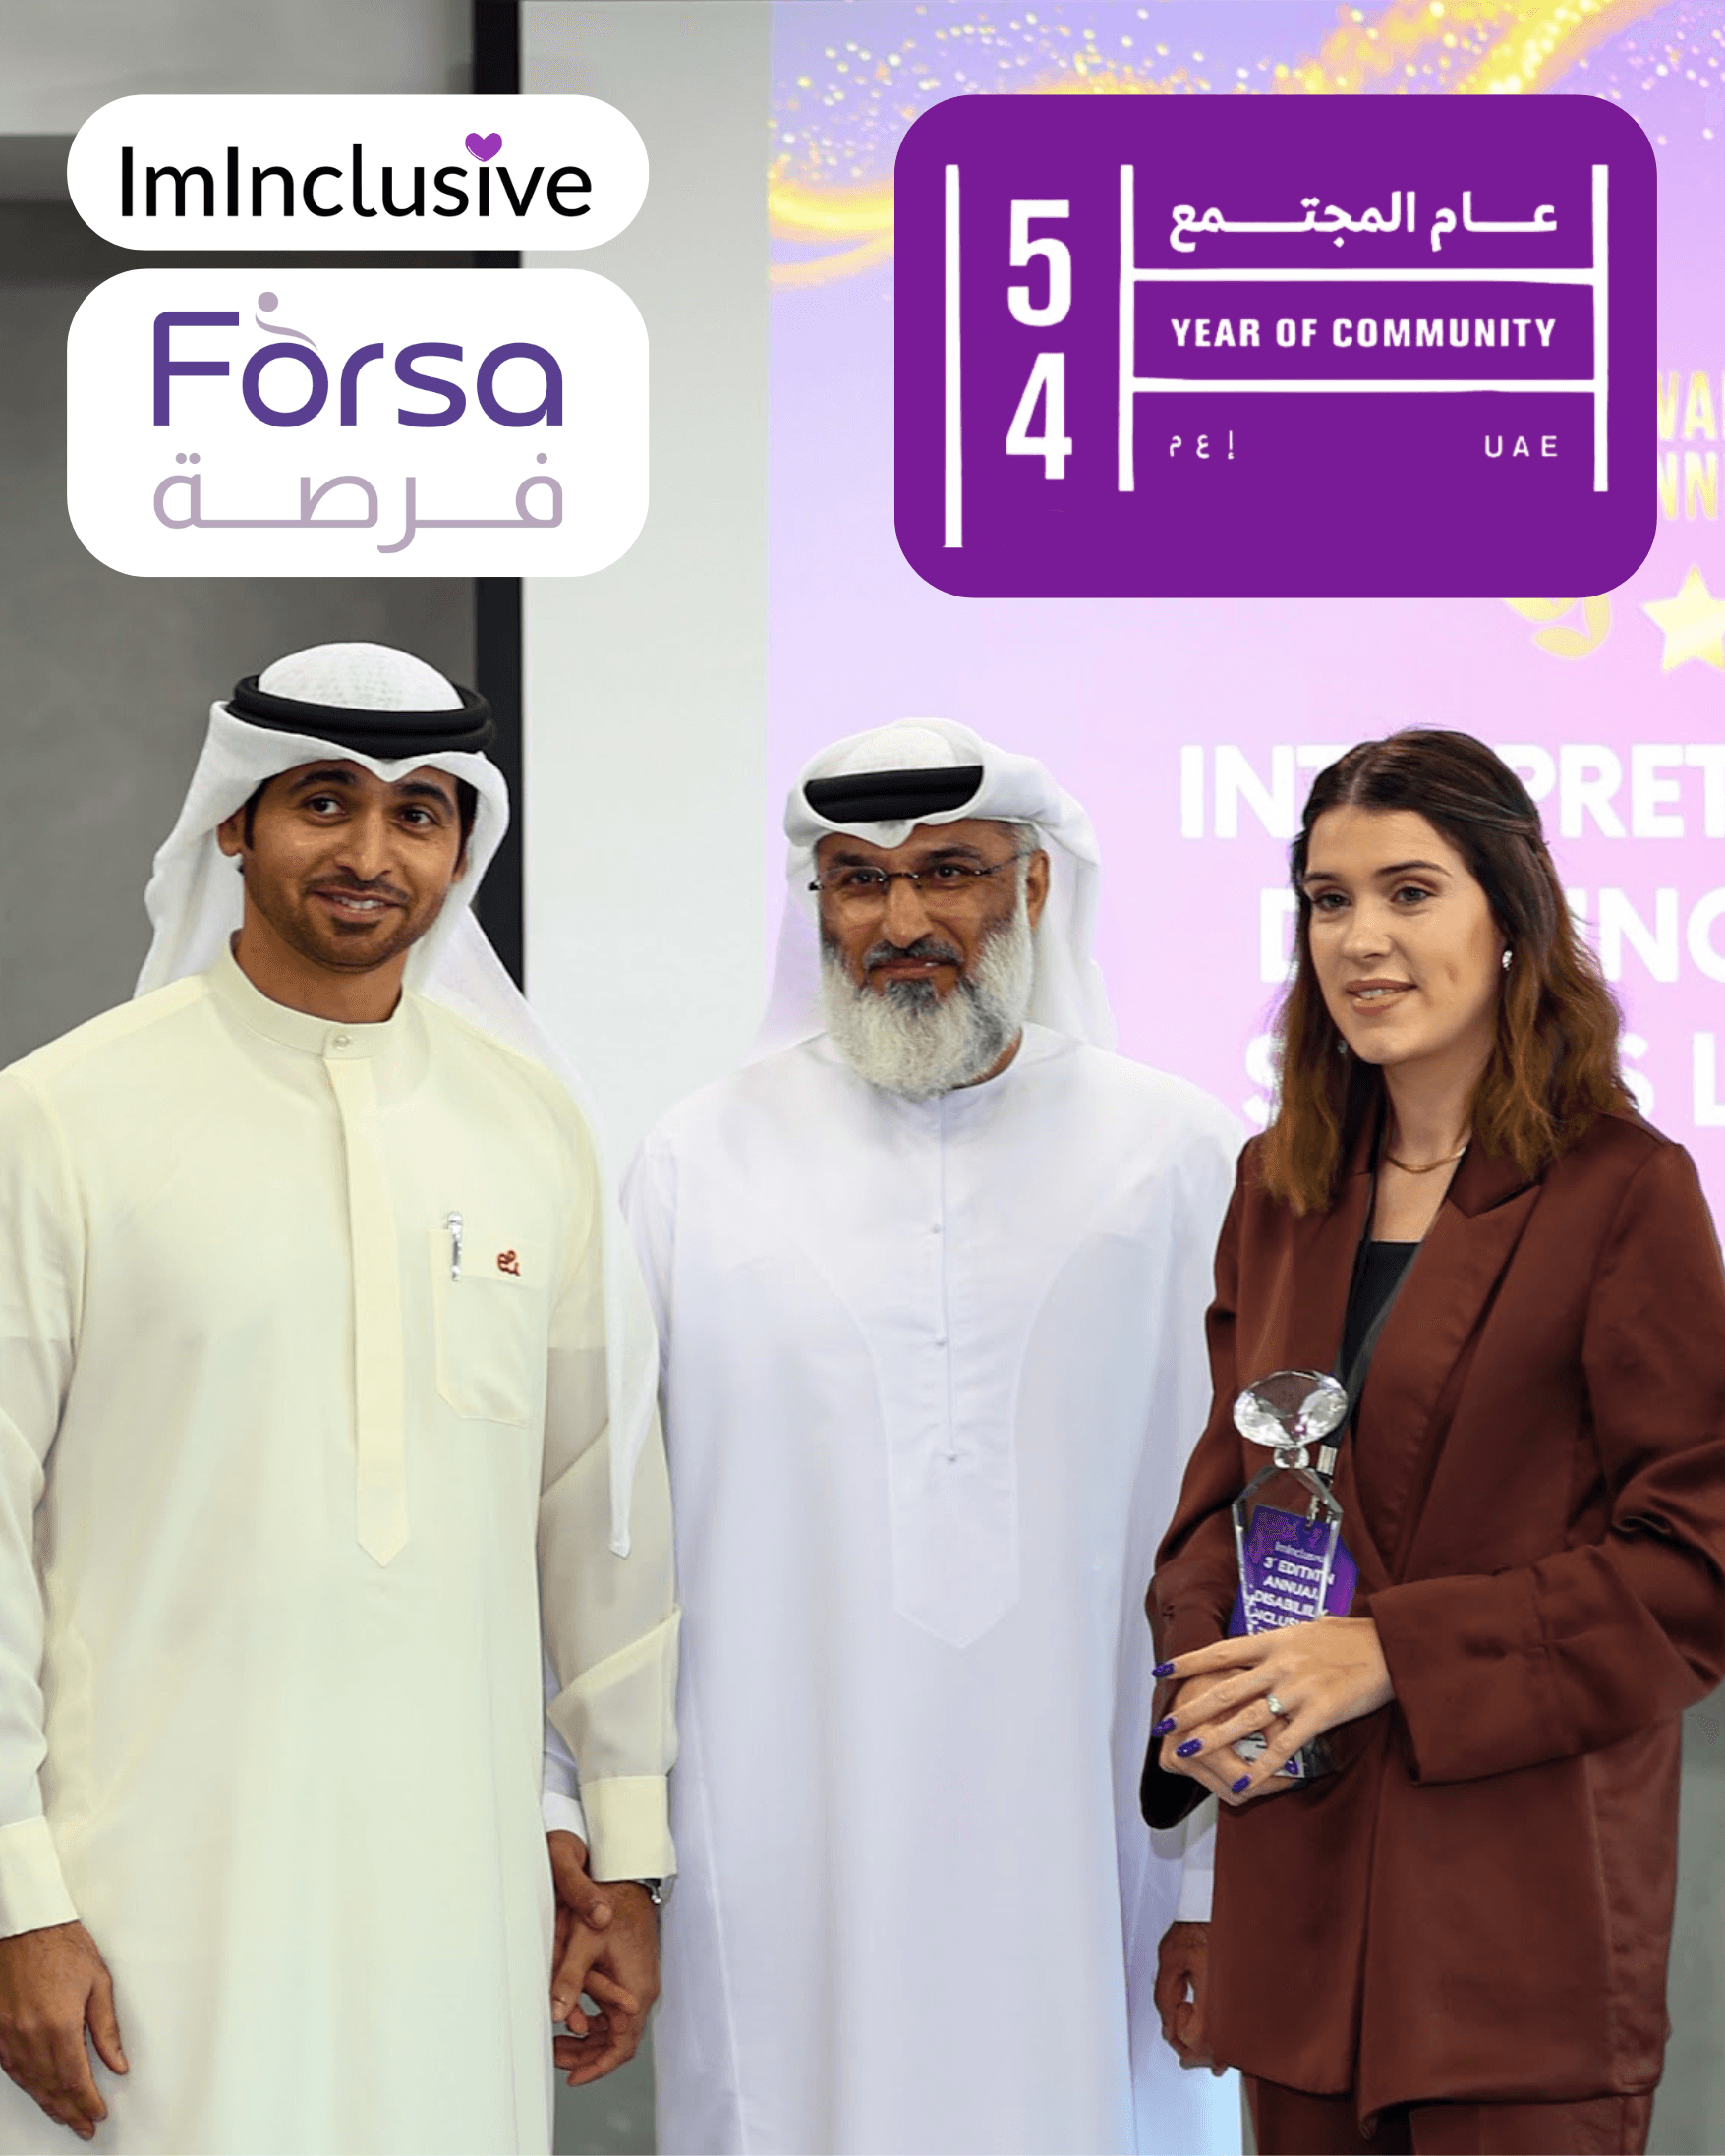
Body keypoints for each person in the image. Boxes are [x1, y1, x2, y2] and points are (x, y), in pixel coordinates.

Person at [0, 644, 677, 2154]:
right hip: (148, 1898)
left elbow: (599, 1514)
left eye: (417, 811)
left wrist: (624, 1851)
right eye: (324, 801)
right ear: (234, 821)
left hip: (458, 1898)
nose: (371, 851)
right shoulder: (61, 1117)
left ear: (460, 844)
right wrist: (16, 1895)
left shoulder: (530, 1124)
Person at [627, 717, 1244, 2156]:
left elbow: (1248, 1530)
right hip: (785, 1849)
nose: (900, 919)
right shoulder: (697, 1161)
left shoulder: (1178, 1155)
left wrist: (1219, 1885)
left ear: (1034, 886)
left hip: (1104, 1852)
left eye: (949, 871)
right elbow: (618, 1530)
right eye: (858, 880)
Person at [1142, 730, 1725, 2156]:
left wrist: (1392, 1653)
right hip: (1299, 1898)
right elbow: (1221, 1500)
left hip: (1512, 1922)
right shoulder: (1276, 1187)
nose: (1362, 939)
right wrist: (1206, 1675)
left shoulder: (1624, 1190)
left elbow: (1695, 1568)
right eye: (1328, 900)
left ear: (1509, 917)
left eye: (1410, 892)